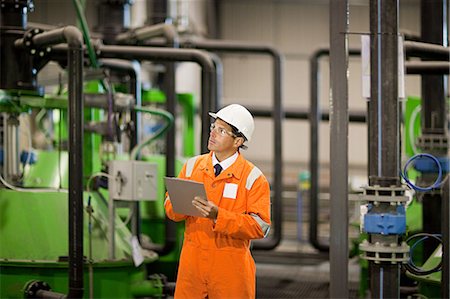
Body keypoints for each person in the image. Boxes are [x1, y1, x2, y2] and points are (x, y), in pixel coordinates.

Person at [164, 103, 271, 299]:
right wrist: (182, 204)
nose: (213, 133)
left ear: (238, 140)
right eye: (214, 127)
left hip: (230, 271)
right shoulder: (192, 167)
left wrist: (218, 216)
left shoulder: (253, 178)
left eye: (221, 131)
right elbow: (171, 210)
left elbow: (260, 226)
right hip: (192, 268)